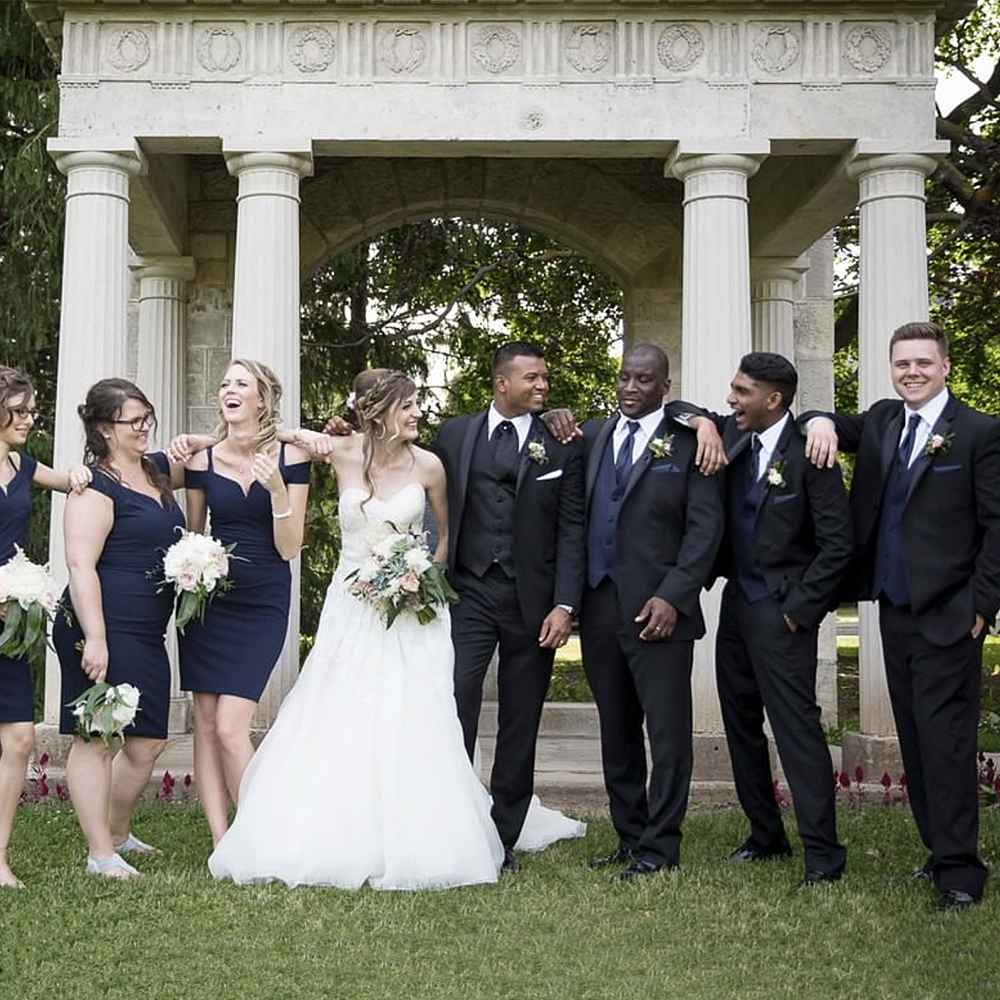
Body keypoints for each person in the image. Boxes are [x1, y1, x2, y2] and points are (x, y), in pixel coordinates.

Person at [209, 369, 503, 888]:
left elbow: (445, 539)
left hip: (413, 613)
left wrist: (418, 581)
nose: (417, 414)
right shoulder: (341, 451)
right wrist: (198, 441)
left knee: (415, 714)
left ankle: (420, 836)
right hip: (350, 607)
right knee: (340, 709)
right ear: (379, 410)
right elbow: (271, 429)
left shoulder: (430, 466)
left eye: (418, 405)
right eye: (408, 405)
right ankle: (334, 830)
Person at [803, 321, 1000, 911]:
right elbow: (841, 425)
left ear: (944, 366)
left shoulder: (979, 433)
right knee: (915, 741)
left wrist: (982, 606)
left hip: (951, 614)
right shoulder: (887, 420)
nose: (911, 372)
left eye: (922, 362)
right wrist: (818, 420)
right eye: (901, 364)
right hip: (894, 610)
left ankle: (962, 875)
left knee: (945, 743)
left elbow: (997, 527)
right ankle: (939, 853)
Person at [685, 353, 852, 889]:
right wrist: (704, 421)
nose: (731, 398)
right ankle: (765, 836)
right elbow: (680, 409)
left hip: (783, 614)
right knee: (740, 725)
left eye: (741, 391)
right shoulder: (733, 438)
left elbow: (837, 545)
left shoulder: (811, 453)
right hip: (737, 606)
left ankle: (824, 856)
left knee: (797, 730)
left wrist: (799, 614)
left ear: (773, 399)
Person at [433, 343, 585, 871]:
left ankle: (502, 839)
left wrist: (565, 604)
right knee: (455, 705)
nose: (543, 386)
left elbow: (572, 529)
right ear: (502, 383)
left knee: (522, 720)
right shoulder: (453, 434)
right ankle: (453, 821)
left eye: (545, 378)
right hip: (468, 593)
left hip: (533, 603)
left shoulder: (561, 441)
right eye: (533, 378)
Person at [578, 344, 722, 880]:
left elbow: (705, 530)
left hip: (661, 612)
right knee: (616, 730)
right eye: (625, 378)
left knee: (667, 735)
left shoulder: (690, 441)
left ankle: (661, 848)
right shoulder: (593, 436)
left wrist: (674, 596)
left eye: (645, 380)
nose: (631, 388)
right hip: (598, 607)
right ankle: (630, 836)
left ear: (665, 386)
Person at [53, 379, 185, 879]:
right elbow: (80, 566)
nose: (145, 426)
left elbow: (213, 445)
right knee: (97, 736)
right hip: (100, 626)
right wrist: (97, 638)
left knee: (148, 739)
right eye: (135, 420)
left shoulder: (156, 470)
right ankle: (100, 853)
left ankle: (118, 832)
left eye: (147, 415)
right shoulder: (95, 487)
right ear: (106, 430)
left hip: (147, 631)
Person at [175, 359, 311, 846]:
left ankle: (262, 836)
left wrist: (277, 491)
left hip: (263, 602)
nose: (229, 390)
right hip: (209, 602)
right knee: (207, 725)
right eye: (225, 384)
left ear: (263, 398)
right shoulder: (199, 462)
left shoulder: (291, 458)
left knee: (233, 727)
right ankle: (221, 839)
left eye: (241, 384)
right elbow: (193, 535)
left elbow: (290, 546)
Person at [0, 367, 90, 888]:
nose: (30, 420)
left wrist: (80, 476)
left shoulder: (23, 465)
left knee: (17, 740)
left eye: (32, 411)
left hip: (11, 624)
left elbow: (71, 480)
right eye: (20, 411)